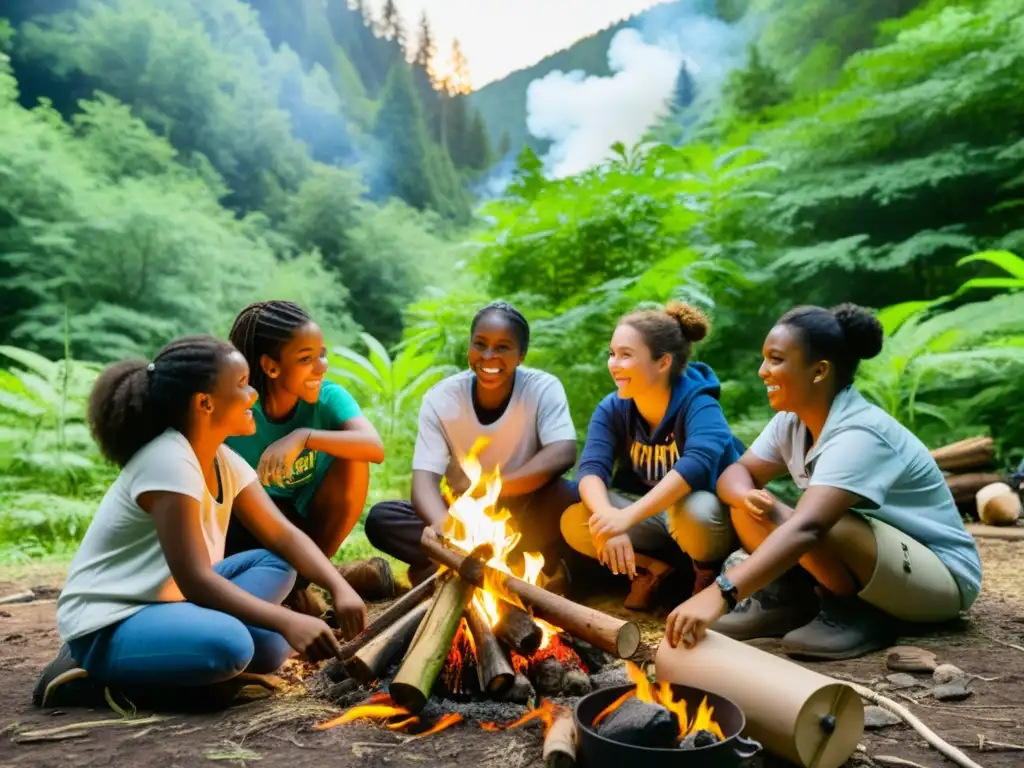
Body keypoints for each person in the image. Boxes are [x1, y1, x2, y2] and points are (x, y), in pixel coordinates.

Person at [33, 336, 367, 710]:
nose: (253, 394)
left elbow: (284, 535)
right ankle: (89, 679)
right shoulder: (169, 460)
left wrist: (339, 586)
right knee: (232, 647)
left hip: (169, 602)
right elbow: (195, 579)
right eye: (241, 385)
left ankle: (187, 653)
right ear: (204, 403)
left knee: (272, 630)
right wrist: (286, 619)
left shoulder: (221, 458)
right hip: (113, 619)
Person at [664, 303, 984, 660]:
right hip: (876, 561)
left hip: (943, 578)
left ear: (819, 371)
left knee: (827, 520)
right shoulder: (793, 420)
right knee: (753, 505)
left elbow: (811, 527)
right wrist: (745, 495)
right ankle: (789, 599)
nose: (762, 371)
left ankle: (855, 613)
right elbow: (737, 473)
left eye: (775, 359)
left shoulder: (860, 432)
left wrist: (720, 593)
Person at [365, 301, 580, 588]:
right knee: (383, 517)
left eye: (503, 347)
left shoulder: (542, 388)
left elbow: (563, 451)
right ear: (469, 347)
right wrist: (444, 525)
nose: (488, 356)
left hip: (526, 511)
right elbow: (424, 482)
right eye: (480, 344)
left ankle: (452, 568)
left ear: (521, 356)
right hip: (463, 515)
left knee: (572, 497)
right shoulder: (442, 398)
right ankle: (470, 563)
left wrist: (494, 487)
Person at [561, 301, 742, 610]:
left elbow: (697, 465)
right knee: (576, 520)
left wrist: (624, 519)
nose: (614, 364)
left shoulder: (699, 404)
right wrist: (608, 518)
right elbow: (591, 469)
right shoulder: (614, 407)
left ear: (662, 363)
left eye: (626, 355)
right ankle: (650, 571)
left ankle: (707, 575)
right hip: (654, 518)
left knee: (694, 509)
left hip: (708, 524)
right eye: (612, 353)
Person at [225, 301, 395, 609]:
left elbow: (374, 447)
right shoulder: (240, 409)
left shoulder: (328, 398)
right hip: (248, 525)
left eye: (322, 354)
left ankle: (304, 580)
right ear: (271, 366)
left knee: (354, 454)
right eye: (306, 358)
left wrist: (304, 437)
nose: (322, 366)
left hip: (307, 522)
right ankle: (315, 584)